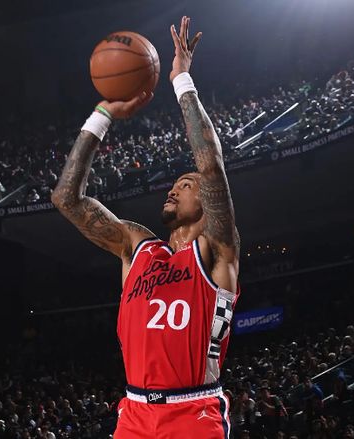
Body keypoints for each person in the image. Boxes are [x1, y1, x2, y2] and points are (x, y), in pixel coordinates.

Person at [51, 16, 240, 439]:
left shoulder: (215, 250)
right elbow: (66, 200)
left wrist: (181, 81)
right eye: (174, 184)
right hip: (134, 413)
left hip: (193, 411)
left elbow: (210, 165)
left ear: (207, 203)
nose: (174, 189)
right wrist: (102, 115)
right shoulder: (138, 247)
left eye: (186, 185)